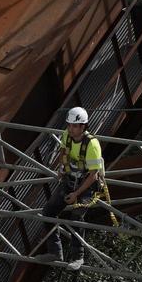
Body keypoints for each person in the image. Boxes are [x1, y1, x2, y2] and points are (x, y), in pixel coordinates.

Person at [38, 106, 103, 271]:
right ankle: (55, 252)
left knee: (76, 217)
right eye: (69, 125)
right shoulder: (67, 136)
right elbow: (63, 152)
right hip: (70, 180)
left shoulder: (92, 145)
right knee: (48, 212)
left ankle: (77, 257)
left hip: (87, 186)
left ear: (83, 126)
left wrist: (76, 194)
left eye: (74, 126)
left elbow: (93, 176)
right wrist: (61, 169)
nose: (70, 129)